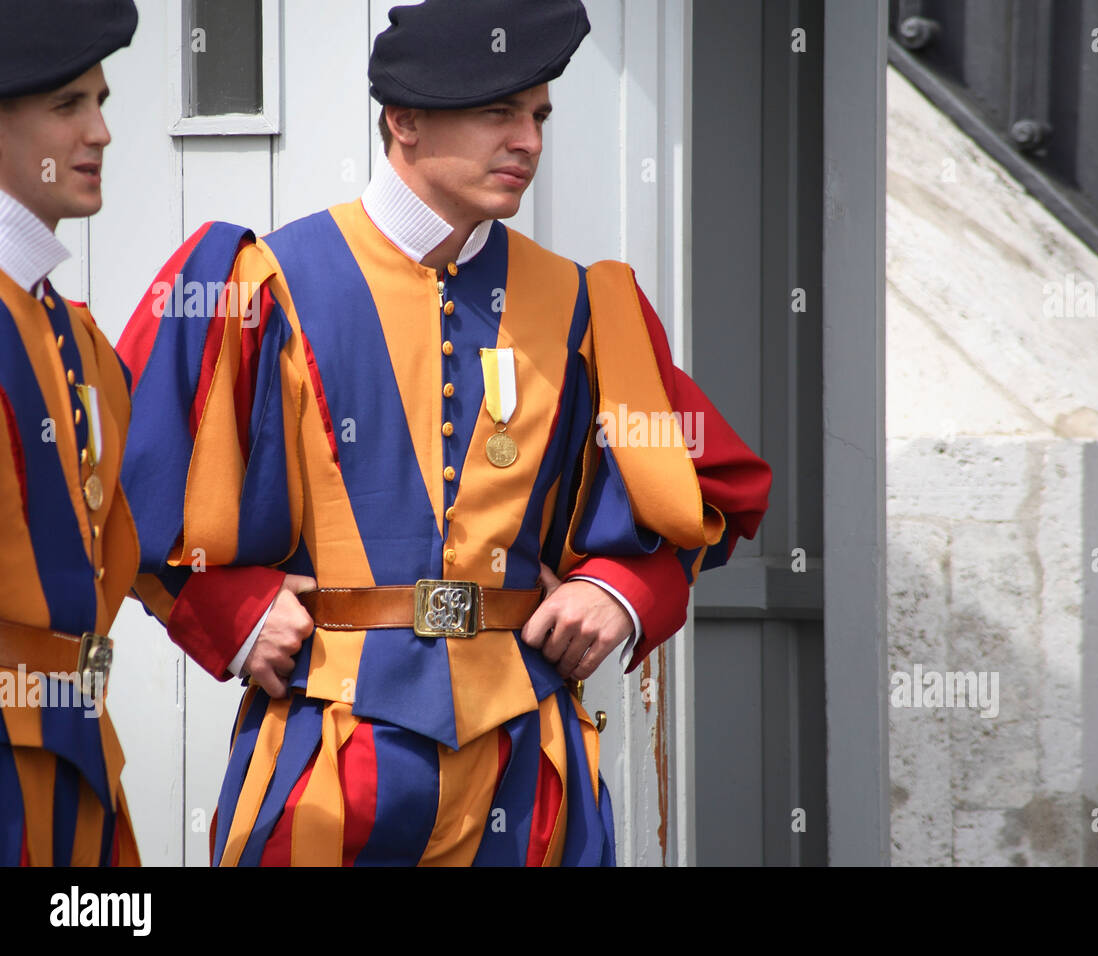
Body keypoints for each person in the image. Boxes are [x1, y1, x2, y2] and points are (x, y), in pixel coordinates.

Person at [117, 0, 771, 866]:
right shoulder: (261, 283)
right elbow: (119, 482)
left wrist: (618, 589)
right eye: (499, 112)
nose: (529, 141)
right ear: (406, 122)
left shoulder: (585, 304)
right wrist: (223, 607)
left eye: (537, 115)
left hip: (526, 761)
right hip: (327, 757)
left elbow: (710, 488)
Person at [0, 0, 141, 867]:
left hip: (77, 750)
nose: (100, 132)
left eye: (101, 100)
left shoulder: (78, 334)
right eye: (67, 106)